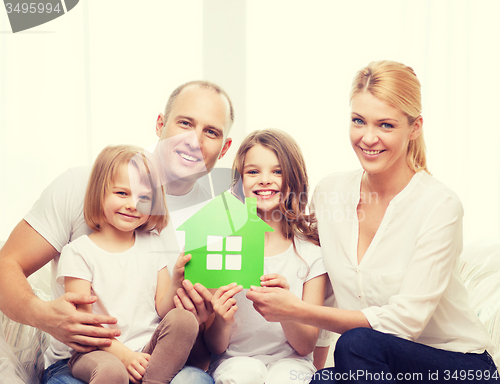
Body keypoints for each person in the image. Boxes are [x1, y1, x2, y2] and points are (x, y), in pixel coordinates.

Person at [246, 61, 497, 383]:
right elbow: (328, 292)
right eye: (358, 121)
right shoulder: (330, 193)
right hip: (376, 369)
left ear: (415, 127)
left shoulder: (440, 206)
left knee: (356, 343)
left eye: (386, 125)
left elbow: (404, 325)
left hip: (456, 367)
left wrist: (296, 310)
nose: (368, 137)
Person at [0, 80, 234, 384]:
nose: (194, 140)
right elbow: (7, 264)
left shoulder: (217, 224)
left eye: (212, 132)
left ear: (225, 147)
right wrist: (44, 315)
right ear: (160, 124)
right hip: (83, 361)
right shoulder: (83, 184)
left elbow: (202, 351)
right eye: (185, 123)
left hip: (155, 361)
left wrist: (204, 322)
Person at [58, 145, 198, 384]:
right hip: (98, 351)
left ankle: (153, 380)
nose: (134, 205)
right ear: (99, 193)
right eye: (122, 193)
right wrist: (125, 356)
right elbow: (84, 327)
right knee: (113, 372)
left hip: (147, 349)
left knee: (185, 320)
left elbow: (163, 310)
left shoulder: (153, 244)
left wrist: (176, 280)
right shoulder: (78, 252)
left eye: (144, 198)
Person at [204, 129, 328, 384]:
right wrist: (221, 319)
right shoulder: (223, 246)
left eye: (277, 171)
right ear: (239, 181)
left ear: (294, 179)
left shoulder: (311, 254)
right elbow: (215, 346)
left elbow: (306, 346)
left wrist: (287, 311)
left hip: (292, 363)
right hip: (233, 361)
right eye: (253, 172)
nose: (264, 180)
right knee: (243, 375)